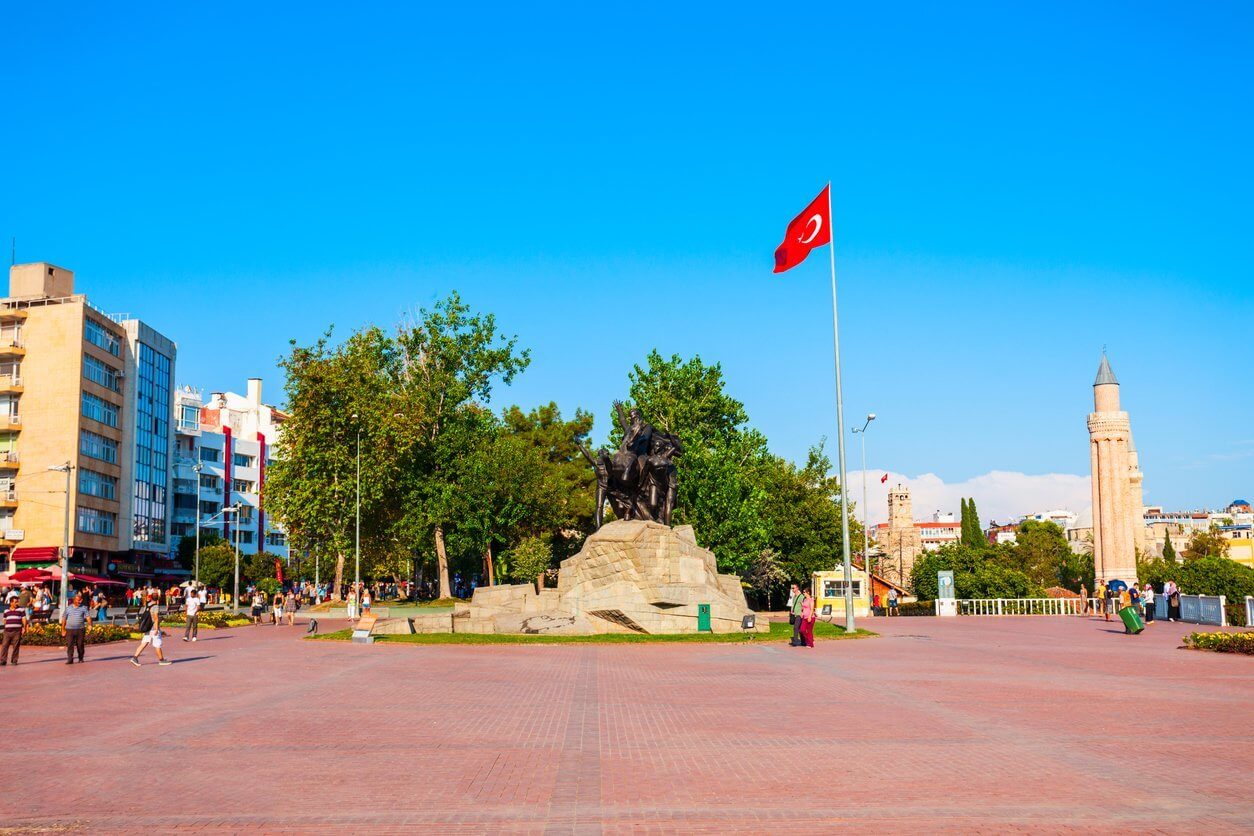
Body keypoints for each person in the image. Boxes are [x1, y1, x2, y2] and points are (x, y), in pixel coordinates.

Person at [131, 592, 171, 667]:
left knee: (144, 643)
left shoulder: (147, 605)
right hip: (153, 628)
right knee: (157, 644)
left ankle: (135, 657)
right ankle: (161, 660)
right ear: (158, 598)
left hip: (147, 627)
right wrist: (156, 629)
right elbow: (155, 618)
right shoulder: (155, 606)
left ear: (151, 598)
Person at [60, 592, 91, 665]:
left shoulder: (84, 608)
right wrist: (63, 629)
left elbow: (88, 617)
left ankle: (81, 658)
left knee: (80, 644)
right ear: (74, 600)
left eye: (80, 600)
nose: (80, 601)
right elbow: (64, 619)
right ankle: (70, 659)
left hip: (80, 629)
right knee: (70, 644)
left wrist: (89, 625)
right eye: (78, 600)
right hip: (70, 629)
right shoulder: (68, 608)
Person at [1, 597, 28, 665]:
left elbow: (24, 619)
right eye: (15, 602)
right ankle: (3, 660)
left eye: (17, 602)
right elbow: (4, 620)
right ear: (11, 603)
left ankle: (14, 661)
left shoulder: (21, 610)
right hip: (7, 631)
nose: (17, 603)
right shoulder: (6, 611)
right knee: (4, 646)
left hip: (17, 631)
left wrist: (24, 628)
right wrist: (8, 625)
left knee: (16, 646)